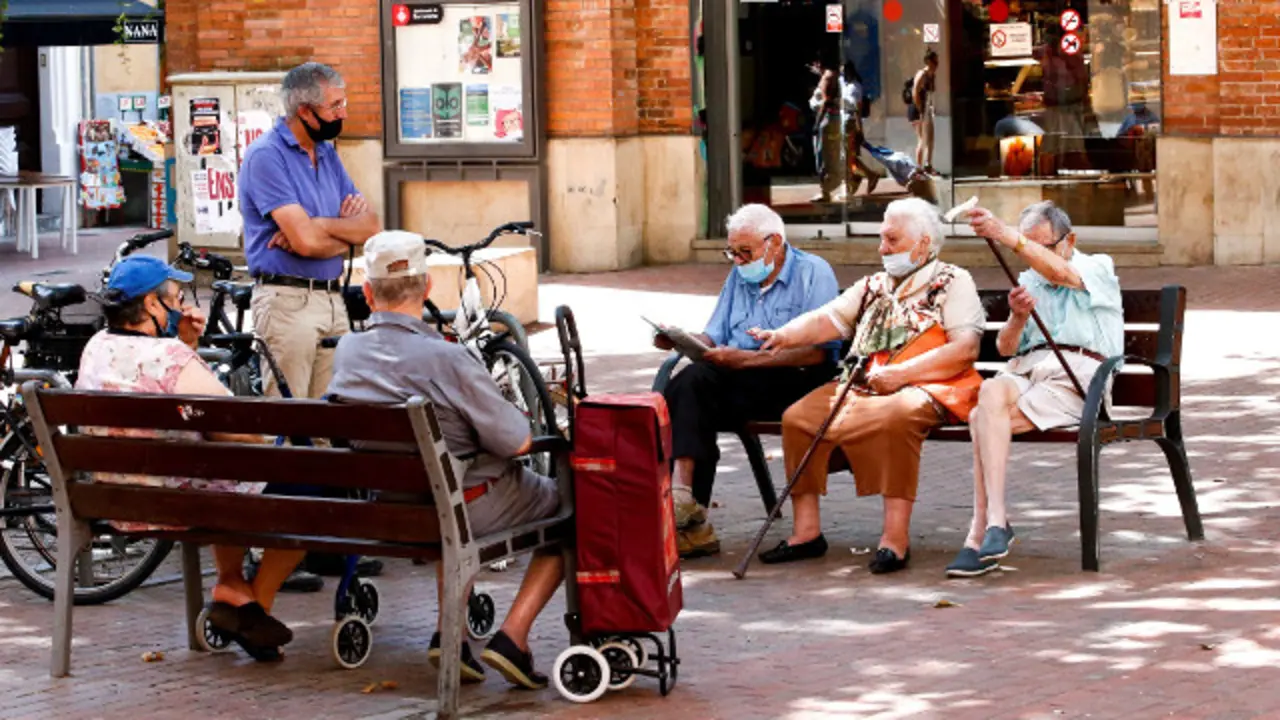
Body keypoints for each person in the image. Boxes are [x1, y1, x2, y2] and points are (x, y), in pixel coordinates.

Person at [327, 231, 563, 689]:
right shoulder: (448, 358)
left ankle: (449, 637)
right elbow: (517, 442)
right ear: (428, 287)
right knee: (572, 509)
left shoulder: (347, 351)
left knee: (448, 481)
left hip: (391, 509)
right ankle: (512, 637)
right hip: (459, 506)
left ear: (369, 293)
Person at [76, 256, 301, 661]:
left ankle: (232, 586)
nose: (183, 308)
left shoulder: (95, 348)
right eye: (176, 299)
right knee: (309, 491)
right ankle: (254, 605)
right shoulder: (171, 359)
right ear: (151, 305)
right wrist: (274, 442)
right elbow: (232, 427)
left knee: (218, 475)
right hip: (182, 502)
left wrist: (184, 345)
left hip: (117, 501)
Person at [751, 198, 985, 574]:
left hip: (930, 384)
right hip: (867, 384)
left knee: (896, 416)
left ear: (923, 243)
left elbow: (966, 349)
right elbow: (828, 319)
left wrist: (902, 373)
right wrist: (782, 335)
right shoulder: (874, 285)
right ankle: (806, 533)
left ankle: (895, 539)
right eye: (881, 239)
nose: (882, 249)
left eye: (891, 240)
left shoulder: (954, 281)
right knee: (797, 418)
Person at [239, 61, 382, 585]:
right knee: (286, 425)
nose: (343, 114)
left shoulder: (327, 152)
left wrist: (321, 225)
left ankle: (323, 541)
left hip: (331, 300)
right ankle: (269, 544)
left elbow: (370, 226)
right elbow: (299, 244)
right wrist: (333, 231)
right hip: (287, 301)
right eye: (335, 107)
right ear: (305, 110)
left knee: (331, 427)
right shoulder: (265, 158)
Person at [946, 201, 1123, 577]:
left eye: (1041, 245)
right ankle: (996, 521)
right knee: (989, 393)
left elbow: (1061, 273)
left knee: (981, 418)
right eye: (1027, 246)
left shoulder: (1096, 266)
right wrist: (1017, 316)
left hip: (1076, 376)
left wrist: (1003, 234)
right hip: (1028, 371)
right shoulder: (1027, 280)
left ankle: (979, 531)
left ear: (1069, 239)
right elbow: (1007, 349)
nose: (1031, 255)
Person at [657, 204, 839, 559]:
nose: (739, 261)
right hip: (741, 375)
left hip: (795, 379)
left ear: (774, 243)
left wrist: (750, 359)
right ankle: (686, 504)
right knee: (682, 388)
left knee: (693, 388)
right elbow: (714, 334)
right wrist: (683, 340)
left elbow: (819, 351)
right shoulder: (739, 276)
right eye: (733, 252)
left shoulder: (813, 272)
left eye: (745, 252)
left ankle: (688, 508)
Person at [908, 50, 939, 175]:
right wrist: (920, 108)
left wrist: (931, 107)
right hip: (918, 110)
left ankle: (928, 165)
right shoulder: (922, 74)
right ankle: (918, 168)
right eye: (934, 61)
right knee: (921, 138)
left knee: (930, 138)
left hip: (927, 108)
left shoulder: (932, 76)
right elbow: (915, 92)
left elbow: (931, 93)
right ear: (928, 61)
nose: (937, 64)